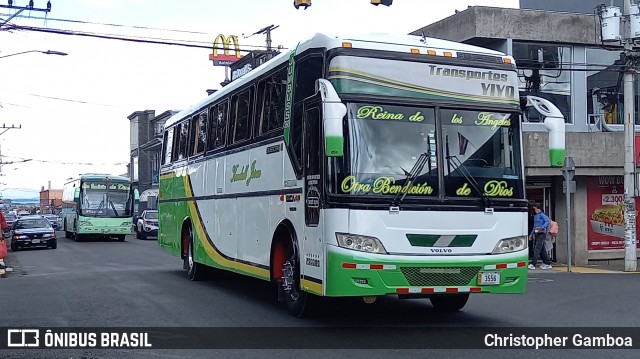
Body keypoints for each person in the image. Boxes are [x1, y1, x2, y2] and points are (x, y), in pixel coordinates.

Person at [528, 204, 553, 270]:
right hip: (537, 233)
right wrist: (531, 234)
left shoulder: (542, 214)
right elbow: (534, 226)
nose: (534, 210)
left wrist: (542, 227)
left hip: (541, 233)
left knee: (537, 248)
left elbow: (548, 221)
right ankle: (547, 263)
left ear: (538, 208)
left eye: (534, 208)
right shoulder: (536, 216)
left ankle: (533, 263)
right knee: (542, 249)